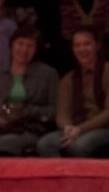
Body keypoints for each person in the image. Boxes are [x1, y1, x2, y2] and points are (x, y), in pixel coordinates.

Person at [0, 26, 58, 156]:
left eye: (30, 46)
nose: (24, 50)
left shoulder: (48, 74)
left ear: (36, 50)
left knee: (8, 143)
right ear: (11, 45)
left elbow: (54, 110)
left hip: (28, 129)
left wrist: (25, 111)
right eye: (20, 44)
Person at [37, 26, 109, 156]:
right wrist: (67, 128)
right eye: (77, 45)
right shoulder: (68, 79)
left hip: (103, 128)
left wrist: (81, 129)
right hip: (76, 128)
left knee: (80, 145)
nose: (82, 49)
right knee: (45, 143)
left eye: (86, 44)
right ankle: (61, 175)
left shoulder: (107, 72)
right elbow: (62, 113)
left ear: (97, 45)